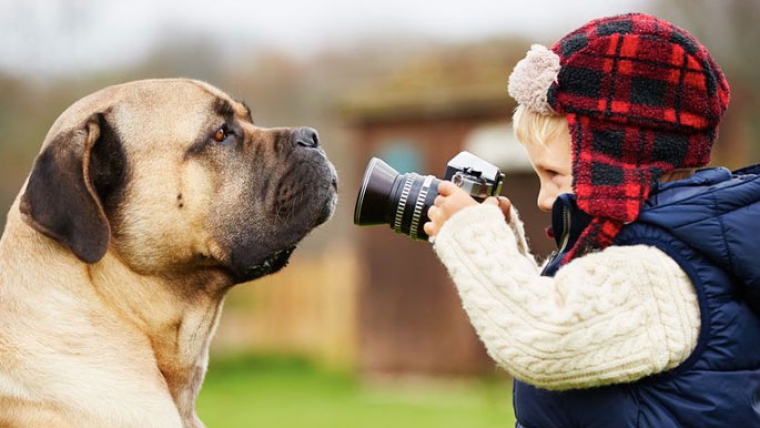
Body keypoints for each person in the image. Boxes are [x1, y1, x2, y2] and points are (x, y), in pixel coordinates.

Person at [423, 12, 760, 428]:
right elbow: (580, 319)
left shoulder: (660, 271)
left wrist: (473, 237)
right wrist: (508, 254)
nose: (545, 200)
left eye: (554, 175)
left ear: (617, 164)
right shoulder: (653, 247)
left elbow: (543, 340)